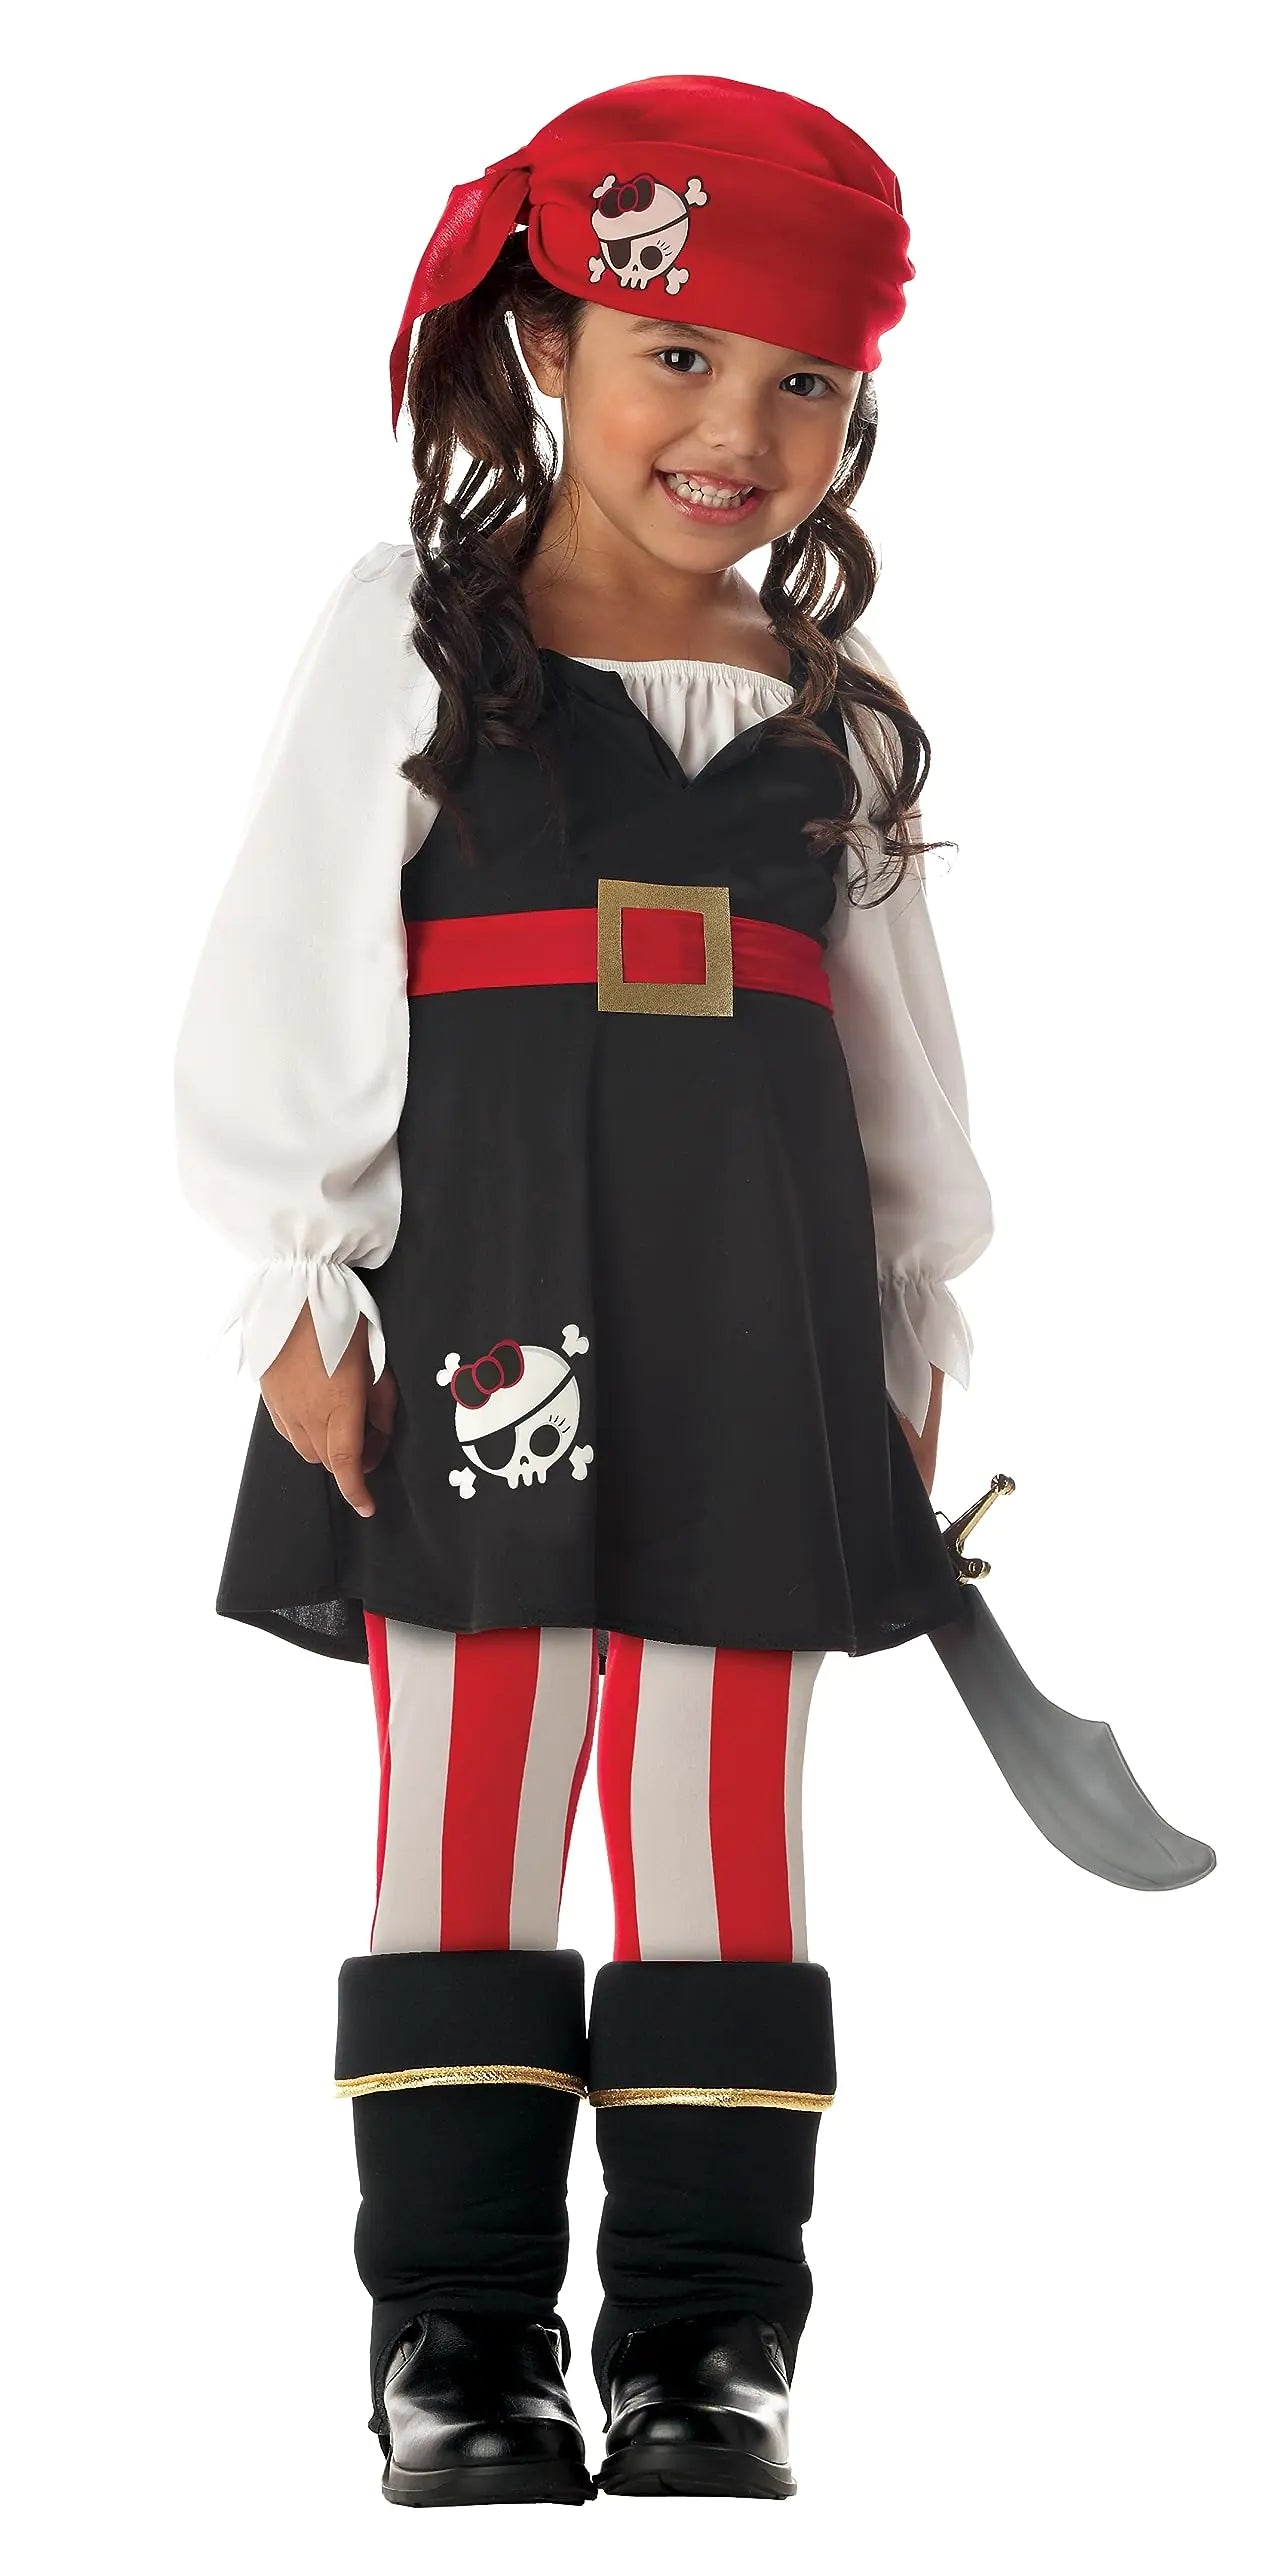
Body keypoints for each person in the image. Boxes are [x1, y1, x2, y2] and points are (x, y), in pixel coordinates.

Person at [173, 72, 995, 2507]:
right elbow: (289, 958)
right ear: (551, 343)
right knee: (475, 1776)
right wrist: (299, 1279)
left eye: (801, 382)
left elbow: (890, 1060)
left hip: (760, 1322)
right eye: (676, 357)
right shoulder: (414, 640)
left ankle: (707, 2340)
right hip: (487, 1299)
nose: (735, 432)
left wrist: (909, 1320)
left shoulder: (830, 707)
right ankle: (455, 2337)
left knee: (725, 1798)